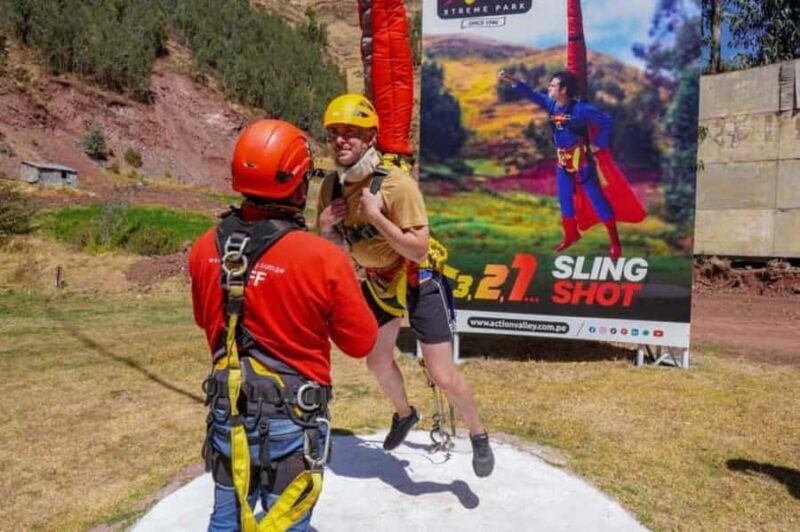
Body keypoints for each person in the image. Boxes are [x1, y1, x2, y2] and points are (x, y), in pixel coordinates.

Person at [189, 119, 379, 531]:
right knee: (286, 521)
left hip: (228, 412)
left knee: (226, 519)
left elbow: (206, 319)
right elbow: (361, 340)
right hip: (292, 419)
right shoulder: (321, 257)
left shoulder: (205, 247)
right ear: (298, 183)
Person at [317, 93, 494, 477]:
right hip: (379, 283)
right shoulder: (331, 188)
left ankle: (478, 435)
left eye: (351, 132)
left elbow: (417, 250)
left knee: (443, 373)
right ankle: (405, 413)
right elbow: (332, 252)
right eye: (335, 133)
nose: (341, 140)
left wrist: (377, 217)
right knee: (376, 359)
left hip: (419, 279)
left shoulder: (396, 185)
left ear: (370, 138)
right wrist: (325, 229)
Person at [498, 70, 623, 260]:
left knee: (597, 200)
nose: (549, 87)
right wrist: (514, 81)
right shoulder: (551, 104)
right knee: (565, 201)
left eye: (553, 85)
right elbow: (532, 94)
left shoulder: (581, 110)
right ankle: (571, 234)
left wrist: (599, 144)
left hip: (582, 163)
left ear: (564, 90)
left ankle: (615, 243)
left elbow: (605, 121)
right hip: (562, 163)